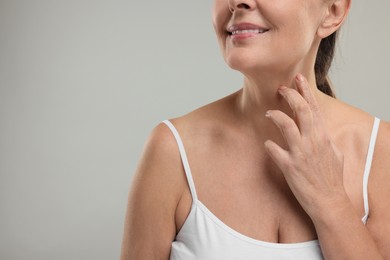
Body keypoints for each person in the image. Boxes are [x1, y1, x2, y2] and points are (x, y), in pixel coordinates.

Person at [120, 0, 390, 259]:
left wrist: (332, 202)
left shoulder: (381, 152)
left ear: (332, 11)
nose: (238, 2)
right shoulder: (172, 150)